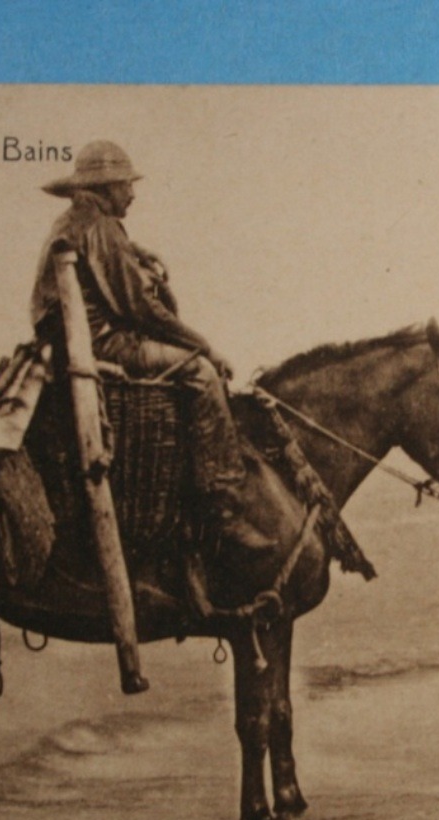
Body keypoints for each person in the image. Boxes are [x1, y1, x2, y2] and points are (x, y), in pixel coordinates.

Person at [30, 140, 272, 550]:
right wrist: (204, 346)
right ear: (106, 188)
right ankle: (222, 508)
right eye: (125, 185)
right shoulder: (99, 227)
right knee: (201, 374)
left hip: (76, 341)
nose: (132, 193)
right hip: (103, 345)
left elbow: (107, 265)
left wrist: (136, 251)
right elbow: (142, 309)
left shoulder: (76, 220)